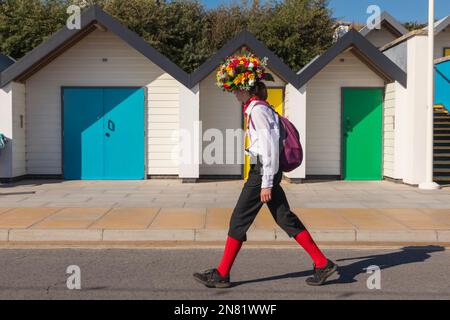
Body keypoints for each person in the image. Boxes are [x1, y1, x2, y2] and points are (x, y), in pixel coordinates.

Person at [193, 54, 337, 288]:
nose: (234, 94)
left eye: (236, 90)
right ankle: (322, 263)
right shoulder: (258, 108)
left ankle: (222, 274)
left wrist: (267, 182)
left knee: (238, 220)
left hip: (262, 172)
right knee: (284, 217)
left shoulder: (258, 111)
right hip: (264, 171)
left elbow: (269, 148)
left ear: (246, 89)